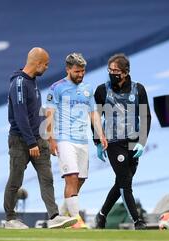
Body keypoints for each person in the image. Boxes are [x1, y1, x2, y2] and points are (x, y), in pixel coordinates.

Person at [3, 47, 77, 229]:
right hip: (22, 140)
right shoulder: (19, 83)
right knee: (15, 180)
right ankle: (10, 219)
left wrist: (48, 138)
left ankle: (54, 216)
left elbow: (36, 113)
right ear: (37, 63)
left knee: (47, 178)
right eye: (45, 64)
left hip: (39, 138)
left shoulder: (32, 81)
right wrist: (30, 142)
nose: (46, 67)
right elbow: (20, 116)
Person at [46, 53, 107, 229]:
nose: (80, 74)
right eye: (77, 71)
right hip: (65, 139)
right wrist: (51, 139)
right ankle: (76, 219)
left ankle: (65, 214)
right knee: (71, 177)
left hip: (83, 140)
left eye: (83, 71)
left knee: (80, 179)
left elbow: (93, 113)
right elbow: (49, 114)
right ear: (68, 69)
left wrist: (100, 134)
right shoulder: (56, 88)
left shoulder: (87, 88)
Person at [93, 53, 151, 230]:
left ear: (125, 72)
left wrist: (142, 141)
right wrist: (98, 141)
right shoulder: (102, 91)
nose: (112, 73)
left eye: (116, 71)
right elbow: (95, 117)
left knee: (121, 182)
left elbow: (145, 116)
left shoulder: (138, 90)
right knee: (125, 182)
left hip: (133, 141)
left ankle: (102, 214)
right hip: (114, 142)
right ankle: (137, 221)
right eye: (109, 70)